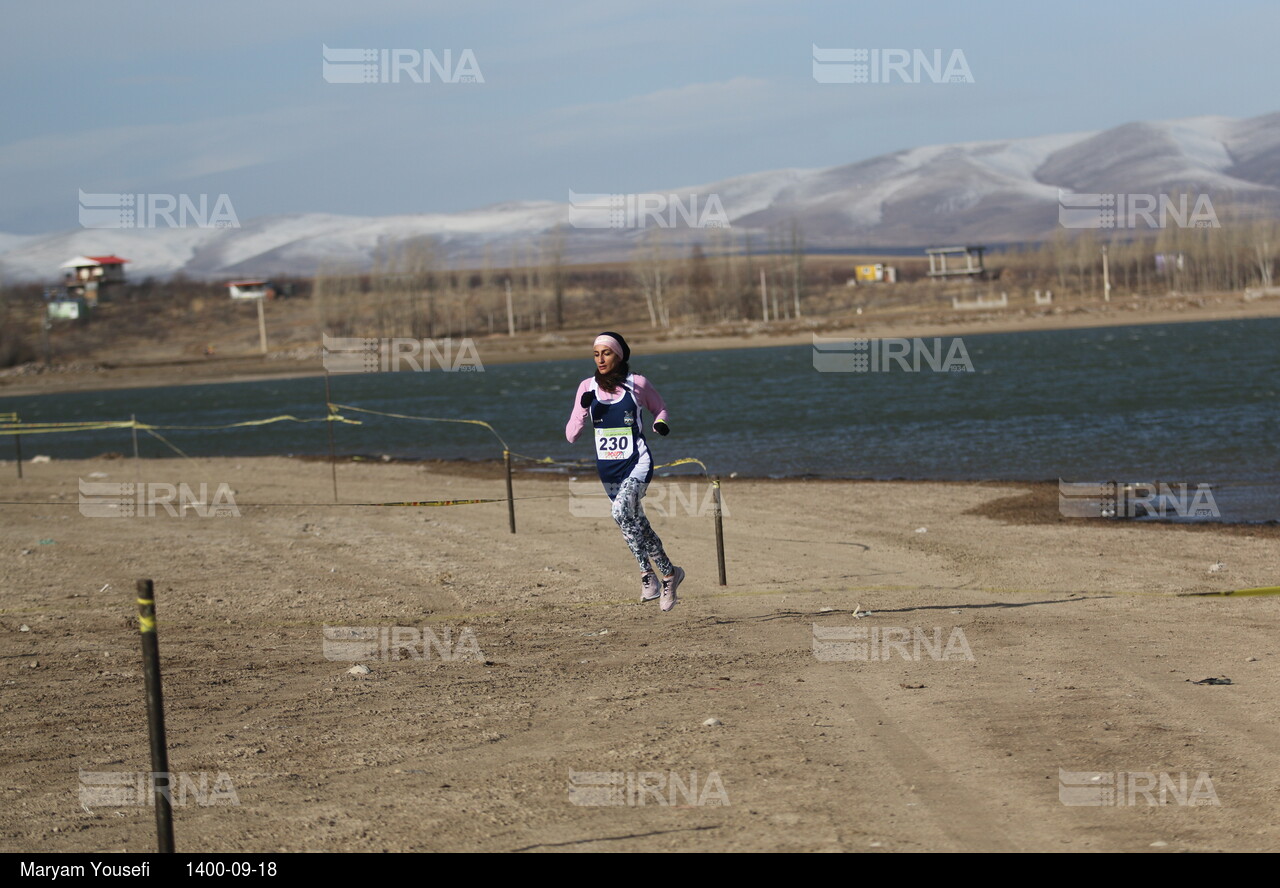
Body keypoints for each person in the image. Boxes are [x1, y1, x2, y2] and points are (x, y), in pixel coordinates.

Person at [565, 332, 685, 611]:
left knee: (619, 513)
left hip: (637, 463)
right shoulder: (586, 386)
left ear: (619, 355)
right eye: (596, 354)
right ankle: (670, 574)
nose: (600, 359)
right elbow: (571, 436)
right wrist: (583, 410)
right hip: (608, 471)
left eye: (606, 353)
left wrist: (660, 424)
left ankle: (647, 576)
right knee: (638, 525)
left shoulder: (637, 383)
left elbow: (661, 408)